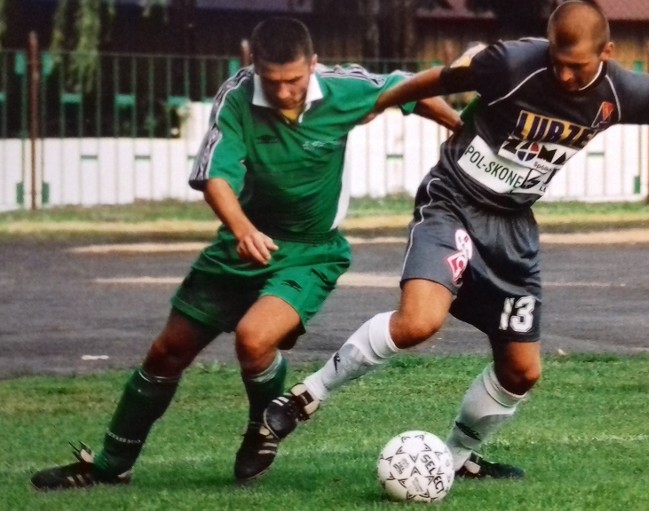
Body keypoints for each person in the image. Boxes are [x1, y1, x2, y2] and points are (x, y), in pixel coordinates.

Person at [259, 0, 649, 481]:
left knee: (522, 371)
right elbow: (435, 80)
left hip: (514, 227)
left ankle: (456, 459)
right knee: (418, 322)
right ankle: (306, 396)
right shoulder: (511, 64)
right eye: (556, 60)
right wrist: (379, 104)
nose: (565, 76)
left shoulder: (624, 92)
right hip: (453, 200)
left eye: (577, 67)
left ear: (607, 52)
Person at [30, 17, 461, 490]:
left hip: (310, 253)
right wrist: (240, 229)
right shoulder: (236, 97)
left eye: (295, 80)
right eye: (272, 82)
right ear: (255, 68)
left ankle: (264, 428)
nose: (283, 92)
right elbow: (216, 176)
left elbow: (410, 87)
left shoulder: (341, 89)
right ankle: (112, 464)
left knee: (255, 339)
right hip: (242, 243)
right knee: (166, 352)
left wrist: (456, 126)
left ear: (313, 66)